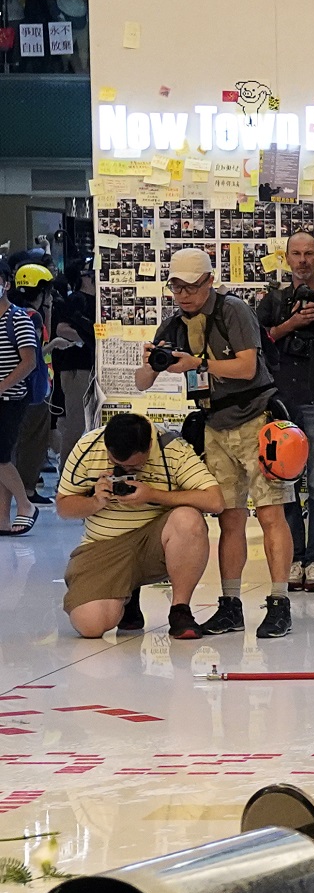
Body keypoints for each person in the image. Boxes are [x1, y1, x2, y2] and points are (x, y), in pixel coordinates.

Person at [137, 247, 294, 638]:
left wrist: (197, 364)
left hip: (257, 418)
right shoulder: (174, 324)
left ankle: (279, 603)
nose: (185, 294)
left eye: (193, 286)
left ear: (210, 281)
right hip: (214, 426)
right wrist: (151, 362)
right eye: (177, 286)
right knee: (230, 518)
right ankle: (230, 605)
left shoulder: (233, 310)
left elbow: (247, 367)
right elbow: (141, 383)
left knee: (272, 513)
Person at [56, 413, 221, 639]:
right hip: (103, 547)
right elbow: (63, 507)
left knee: (188, 519)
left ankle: (180, 610)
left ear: (150, 445)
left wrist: (153, 494)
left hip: (153, 543)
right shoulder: (88, 446)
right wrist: (95, 501)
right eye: (117, 465)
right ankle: (127, 596)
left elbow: (215, 501)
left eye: (134, 466)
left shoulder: (171, 448)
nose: (125, 473)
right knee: (90, 625)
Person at [255, 230, 314, 594]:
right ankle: (295, 558)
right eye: (296, 254)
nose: (303, 260)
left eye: (309, 253)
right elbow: (257, 346)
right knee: (284, 484)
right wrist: (289, 325)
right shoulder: (273, 302)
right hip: (281, 402)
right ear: (287, 257)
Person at [0, 268, 39, 533]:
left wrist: (1, 386)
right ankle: (2, 519)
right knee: (2, 457)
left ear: (6, 284)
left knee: (1, 456)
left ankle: (26, 504)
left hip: (11, 398)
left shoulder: (18, 319)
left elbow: (29, 361)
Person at [49, 268, 98, 470]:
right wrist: (90, 339)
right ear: (84, 277)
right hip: (77, 368)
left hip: (89, 367)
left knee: (85, 424)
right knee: (76, 424)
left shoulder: (96, 299)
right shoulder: (77, 299)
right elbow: (61, 328)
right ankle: (66, 473)